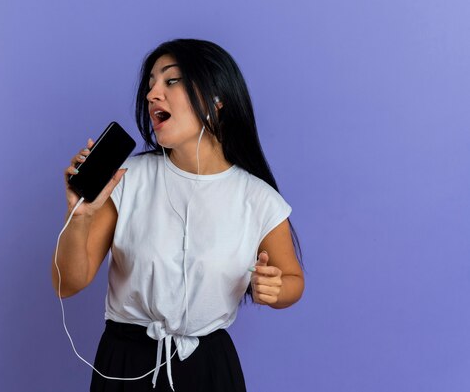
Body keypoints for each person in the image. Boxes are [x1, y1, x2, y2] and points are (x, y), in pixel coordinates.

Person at [53, 39, 304, 391]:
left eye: (171, 81)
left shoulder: (258, 198)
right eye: (151, 83)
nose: (152, 94)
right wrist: (79, 217)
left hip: (209, 368)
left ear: (217, 100)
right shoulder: (125, 179)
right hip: (124, 363)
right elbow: (67, 284)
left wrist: (276, 289)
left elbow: (293, 280)